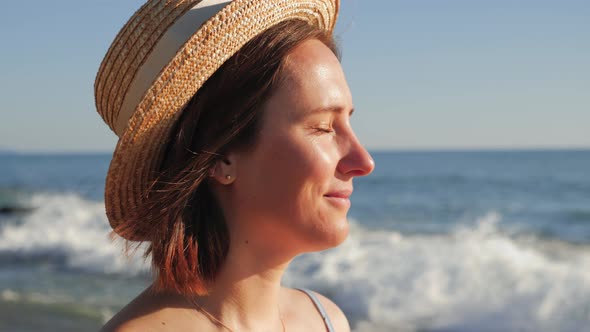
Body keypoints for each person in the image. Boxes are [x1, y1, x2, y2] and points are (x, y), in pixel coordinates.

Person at [95, 0, 374, 331]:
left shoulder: (325, 319)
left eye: (348, 123)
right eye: (324, 127)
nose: (363, 161)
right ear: (220, 155)